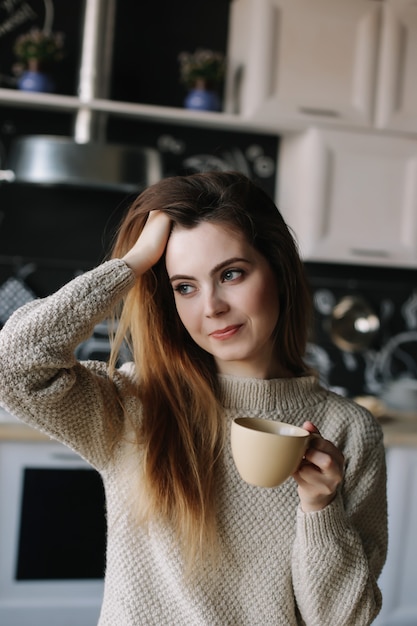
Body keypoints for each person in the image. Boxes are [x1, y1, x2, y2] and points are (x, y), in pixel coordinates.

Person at [0, 171, 387, 625]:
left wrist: (320, 509)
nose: (212, 307)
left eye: (231, 274)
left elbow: (344, 620)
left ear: (278, 271)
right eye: (185, 286)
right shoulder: (135, 402)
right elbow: (15, 364)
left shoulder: (349, 432)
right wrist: (134, 262)